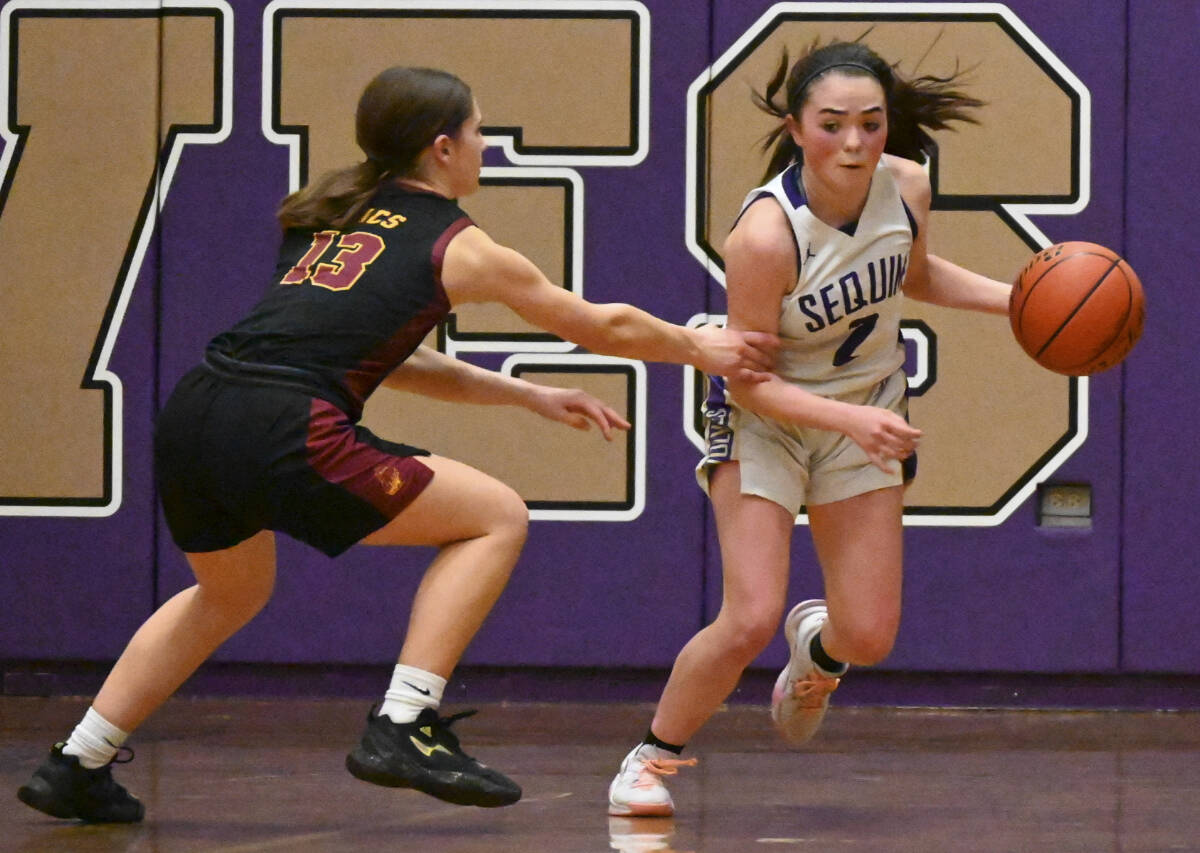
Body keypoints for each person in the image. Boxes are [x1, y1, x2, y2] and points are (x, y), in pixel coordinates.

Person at [16, 65, 779, 824]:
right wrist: (697, 347)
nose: (488, 146)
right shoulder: (462, 244)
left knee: (230, 590)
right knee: (496, 516)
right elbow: (600, 325)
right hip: (285, 422)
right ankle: (405, 720)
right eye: (480, 131)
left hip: (197, 413)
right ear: (442, 148)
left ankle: (77, 759)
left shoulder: (331, 212)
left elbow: (388, 356)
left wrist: (528, 395)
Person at [607, 40, 1012, 817]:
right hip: (770, 418)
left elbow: (918, 275)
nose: (855, 142)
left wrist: (1023, 296)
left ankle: (818, 649)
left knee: (870, 635)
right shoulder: (764, 236)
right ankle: (649, 758)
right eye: (833, 125)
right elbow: (748, 382)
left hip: (861, 411)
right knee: (750, 612)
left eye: (871, 123)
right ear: (796, 128)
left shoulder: (909, 185)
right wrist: (851, 417)